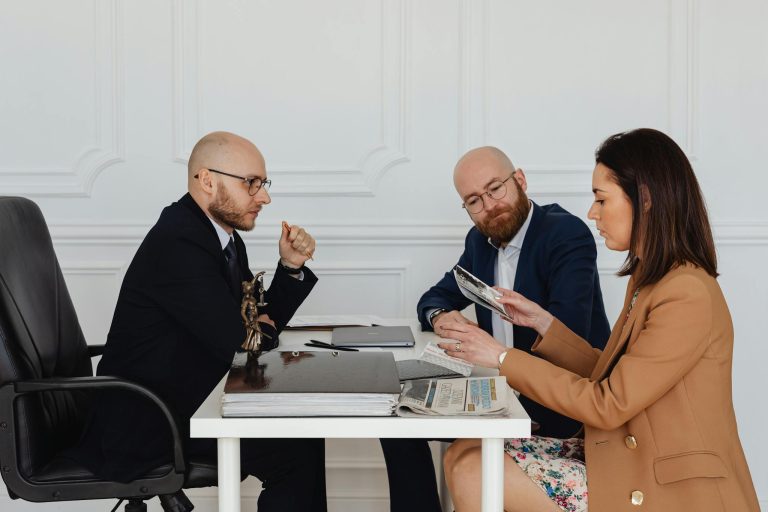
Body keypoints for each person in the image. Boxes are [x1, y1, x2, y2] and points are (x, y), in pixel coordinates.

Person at [440, 128, 760, 512]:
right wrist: (544, 324)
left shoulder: (685, 293)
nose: (592, 212)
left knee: (474, 470)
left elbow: (608, 403)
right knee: (463, 452)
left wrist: (501, 358)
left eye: (601, 198)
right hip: (633, 455)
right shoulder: (652, 279)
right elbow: (614, 376)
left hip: (668, 486)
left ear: (645, 200)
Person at [72, 131, 327, 511]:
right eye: (251, 184)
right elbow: (244, 340)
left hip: (184, 401)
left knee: (300, 440)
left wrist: (289, 268)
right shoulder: (179, 242)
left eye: (263, 184)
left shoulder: (218, 236)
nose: (265, 197)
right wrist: (258, 329)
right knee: (296, 446)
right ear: (207, 181)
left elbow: (253, 326)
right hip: (149, 424)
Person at [380, 147, 611, 512]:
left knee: (461, 455)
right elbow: (434, 297)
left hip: (555, 408)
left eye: (495, 189)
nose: (489, 205)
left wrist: (496, 355)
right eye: (474, 200)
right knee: (398, 424)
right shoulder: (480, 243)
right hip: (501, 397)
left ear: (519, 180)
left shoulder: (565, 234)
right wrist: (442, 316)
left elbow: (569, 338)